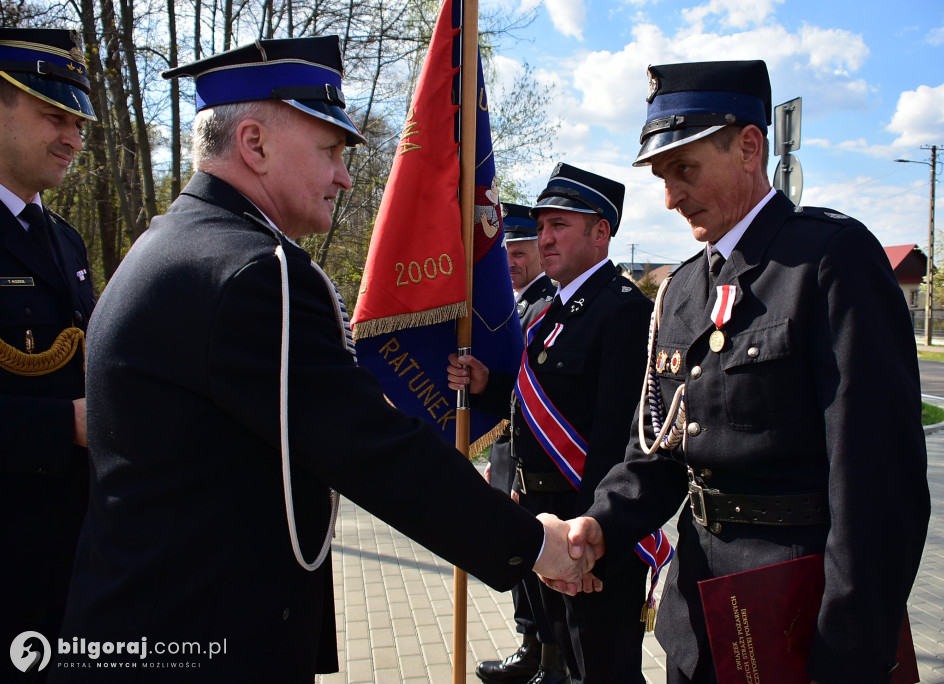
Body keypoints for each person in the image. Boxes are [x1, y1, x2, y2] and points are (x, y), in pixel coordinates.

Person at [53, 36, 588, 683]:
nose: (344, 174)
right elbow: (371, 450)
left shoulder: (170, 244)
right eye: (330, 151)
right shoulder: (257, 271)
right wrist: (535, 545)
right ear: (254, 144)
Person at [550, 60, 931, 684]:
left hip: (799, 621)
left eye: (685, 169)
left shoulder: (828, 261)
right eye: (662, 176)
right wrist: (600, 524)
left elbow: (878, 488)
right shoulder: (679, 291)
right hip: (701, 619)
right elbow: (660, 454)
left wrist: (848, 652)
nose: (671, 197)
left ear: (749, 146)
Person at [448, 164, 655, 684]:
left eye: (559, 226)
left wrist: (588, 538)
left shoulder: (624, 310)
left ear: (600, 232)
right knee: (558, 650)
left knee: (603, 667)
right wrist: (486, 385)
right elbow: (536, 400)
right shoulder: (547, 308)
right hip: (542, 516)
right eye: (541, 227)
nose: (545, 239)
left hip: (586, 525)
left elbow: (615, 440)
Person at [0, 27, 97, 683]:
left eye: (79, 121)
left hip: (73, 569)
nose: (72, 137)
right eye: (52, 115)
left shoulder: (64, 240)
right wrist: (67, 424)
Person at [477, 203, 563, 684]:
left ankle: (551, 659)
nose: (510, 260)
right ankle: (531, 646)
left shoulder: (549, 302)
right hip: (512, 453)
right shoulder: (512, 304)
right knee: (521, 558)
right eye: (505, 251)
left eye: (521, 250)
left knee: (539, 559)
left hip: (547, 458)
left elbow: (535, 391)